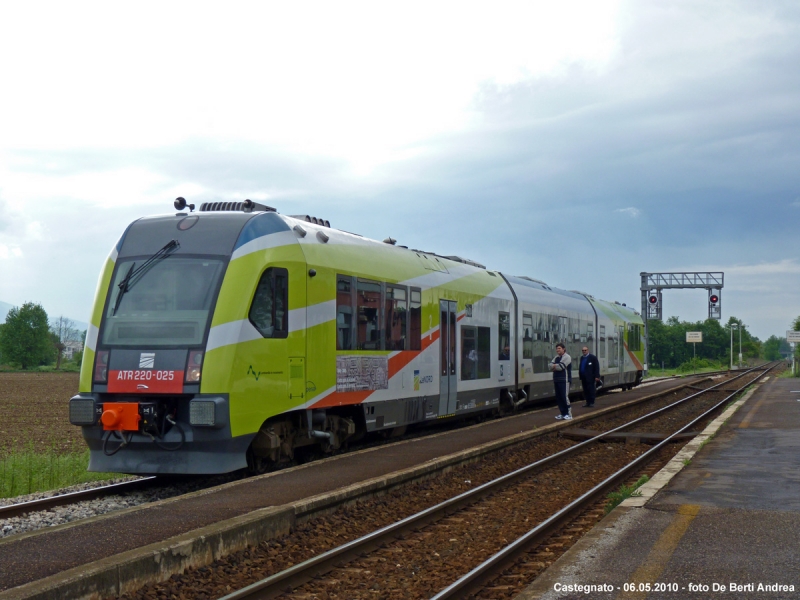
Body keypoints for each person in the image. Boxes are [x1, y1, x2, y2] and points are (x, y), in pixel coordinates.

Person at [549, 343, 572, 420]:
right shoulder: (556, 357)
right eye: (557, 348)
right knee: (559, 397)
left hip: (564, 380)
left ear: (563, 349)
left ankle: (568, 414)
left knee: (564, 397)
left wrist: (555, 366)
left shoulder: (567, 357)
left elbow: (561, 367)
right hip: (556, 379)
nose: (557, 350)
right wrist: (555, 366)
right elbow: (549, 366)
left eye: (559, 348)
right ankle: (563, 413)